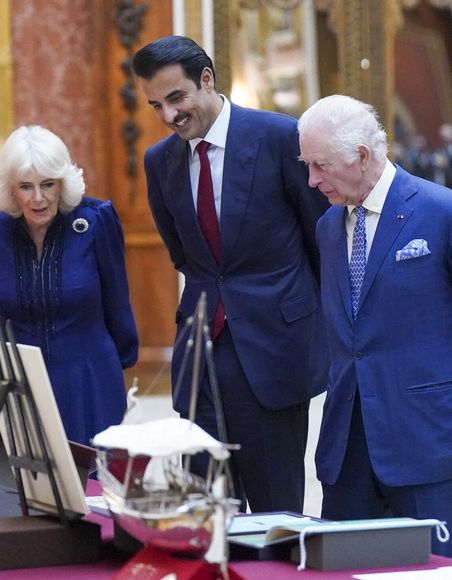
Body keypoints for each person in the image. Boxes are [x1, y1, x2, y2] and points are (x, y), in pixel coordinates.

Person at [131, 35, 329, 512]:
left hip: (274, 348)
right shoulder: (159, 161)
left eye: (176, 99)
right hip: (200, 353)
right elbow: (185, 255)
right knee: (202, 508)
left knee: (274, 509)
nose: (168, 116)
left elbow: (320, 237)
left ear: (207, 79)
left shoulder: (280, 137)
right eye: (156, 104)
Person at [298, 94, 452, 556]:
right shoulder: (327, 227)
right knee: (342, 566)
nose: (311, 180)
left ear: (362, 156)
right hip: (346, 448)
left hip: (427, 441)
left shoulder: (440, 212)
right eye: (307, 165)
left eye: (320, 165)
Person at [0, 125, 139, 446]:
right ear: (10, 188)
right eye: (26, 186)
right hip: (17, 379)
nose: (38, 198)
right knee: (15, 486)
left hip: (88, 377)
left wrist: (120, 365)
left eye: (48, 184)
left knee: (95, 486)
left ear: (63, 183)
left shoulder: (96, 221)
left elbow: (118, 302)